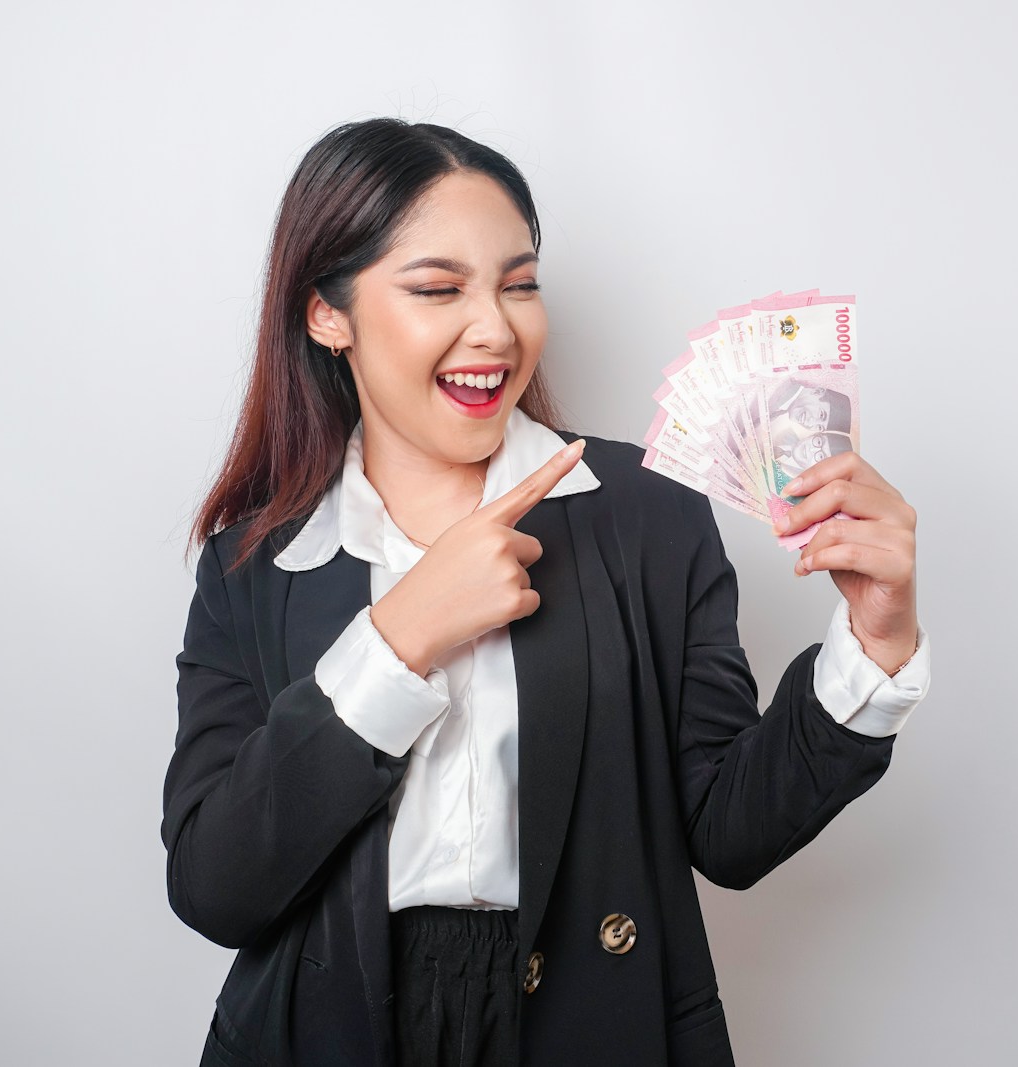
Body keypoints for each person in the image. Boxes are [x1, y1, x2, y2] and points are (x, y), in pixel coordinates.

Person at [163, 117, 931, 1067]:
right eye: (437, 288)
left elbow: (729, 831)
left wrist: (875, 639)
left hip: (588, 1019)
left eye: (519, 284)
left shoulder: (649, 517)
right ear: (328, 314)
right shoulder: (255, 560)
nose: (495, 328)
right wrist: (401, 636)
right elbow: (216, 886)